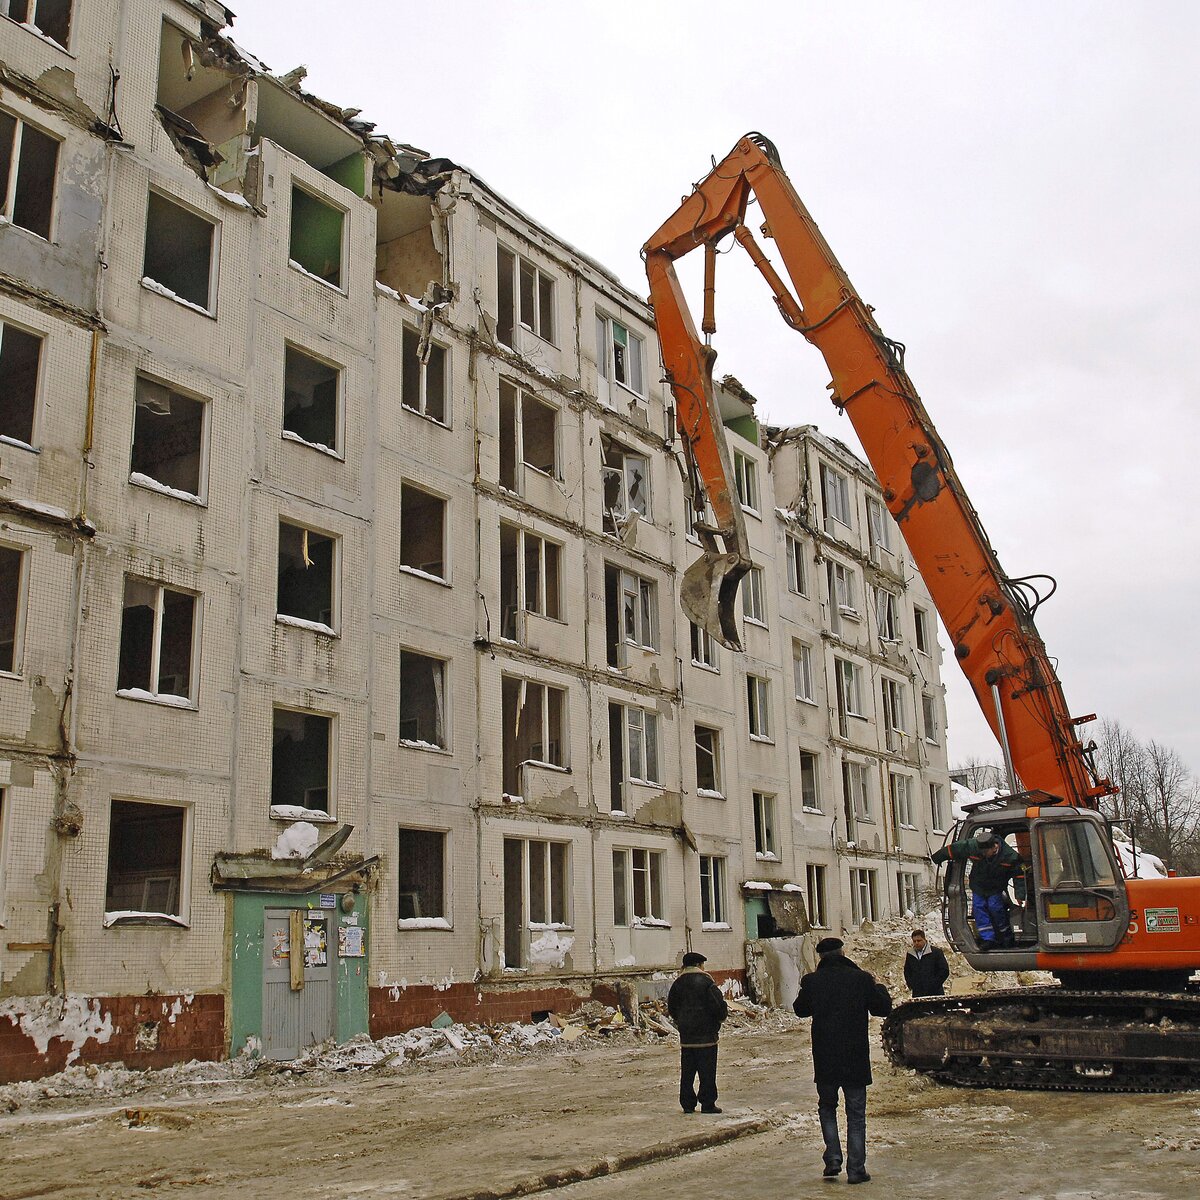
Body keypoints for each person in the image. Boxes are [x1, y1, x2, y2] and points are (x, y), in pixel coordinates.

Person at [793, 936, 893, 1184]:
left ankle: (833, 1158)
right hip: (854, 1056)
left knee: (827, 1107)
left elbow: (800, 1009)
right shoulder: (860, 979)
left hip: (825, 1058)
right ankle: (856, 1169)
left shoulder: (813, 982)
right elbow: (883, 1008)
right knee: (856, 1113)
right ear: (842, 952)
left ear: (821, 957)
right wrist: (877, 986)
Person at [930, 829, 1022, 950]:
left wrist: (1020, 895)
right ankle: (988, 939)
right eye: (981, 852)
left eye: (985, 852)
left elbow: (1019, 876)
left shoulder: (1009, 856)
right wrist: (938, 857)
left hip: (995, 888)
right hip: (978, 886)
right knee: (979, 909)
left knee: (995, 908)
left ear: (995, 847)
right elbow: (956, 848)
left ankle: (1005, 936)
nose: (983, 854)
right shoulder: (975, 847)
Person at [667, 950, 728, 1114]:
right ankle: (707, 1103)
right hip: (707, 1036)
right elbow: (718, 1006)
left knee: (687, 1072)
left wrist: (681, 1022)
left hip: (687, 1037)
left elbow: (671, 1007)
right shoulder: (707, 982)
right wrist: (719, 1020)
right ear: (699, 965)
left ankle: (687, 1104)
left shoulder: (677, 984)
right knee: (707, 1071)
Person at [903, 929, 950, 997]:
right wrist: (912, 985)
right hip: (917, 993)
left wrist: (935, 984)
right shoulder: (910, 954)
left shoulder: (936, 952)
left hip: (935, 993)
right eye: (914, 941)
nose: (916, 943)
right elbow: (907, 971)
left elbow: (944, 970)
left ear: (925, 940)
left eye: (919, 940)